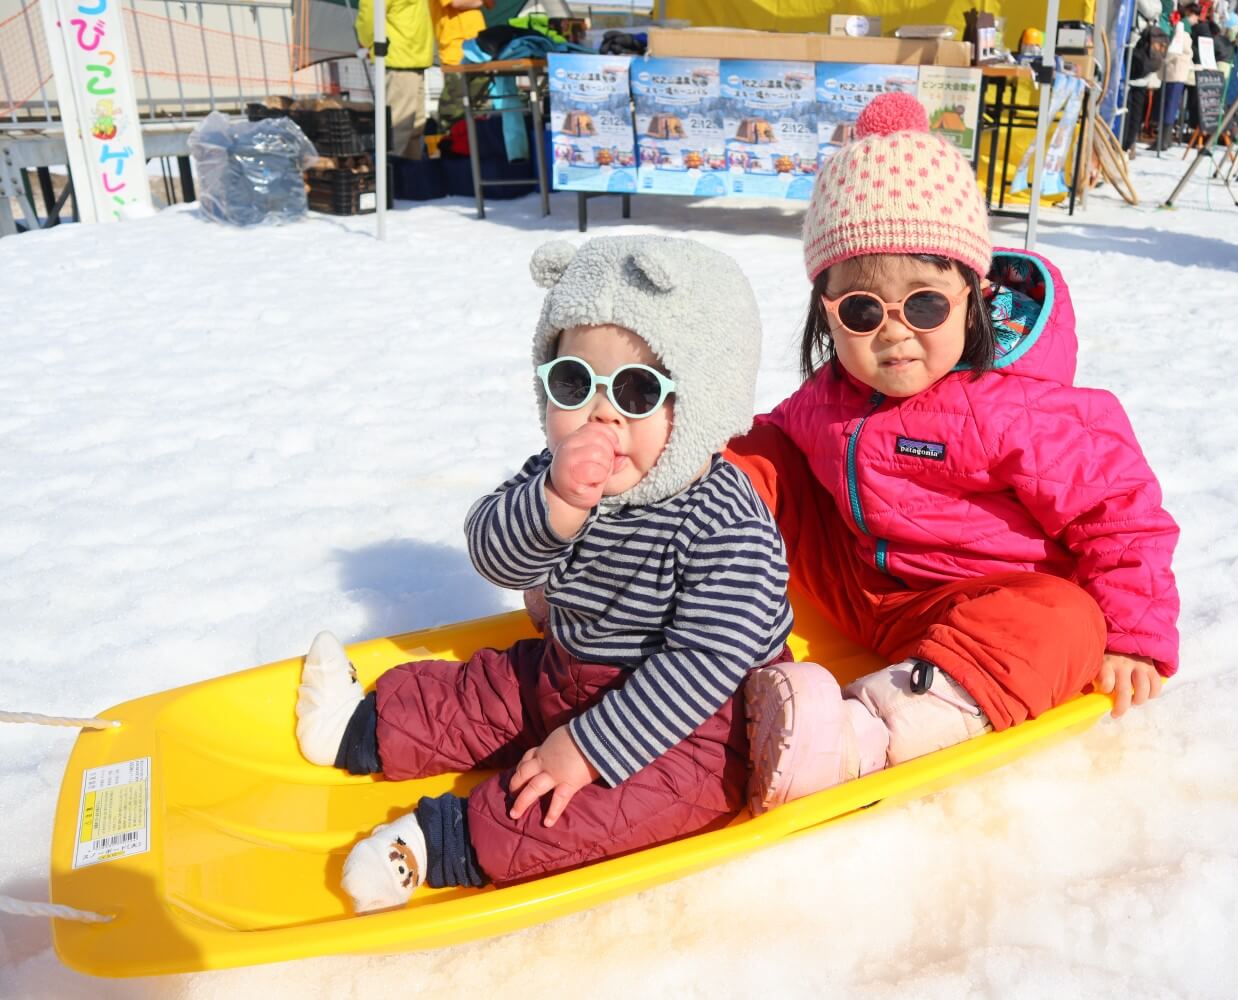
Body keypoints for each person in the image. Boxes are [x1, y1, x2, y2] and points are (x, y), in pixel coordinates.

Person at [294, 236, 795, 912]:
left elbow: (704, 662)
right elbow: (494, 554)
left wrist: (589, 748)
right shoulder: (560, 475)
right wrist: (554, 506)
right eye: (574, 383)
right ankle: (360, 726)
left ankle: (443, 845)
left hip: (699, 724)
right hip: (571, 673)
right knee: (488, 692)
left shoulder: (724, 520)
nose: (602, 414)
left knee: (602, 808)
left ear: (703, 397)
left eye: (638, 391)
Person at [723, 93, 1182, 813]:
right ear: (826, 312)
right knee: (754, 450)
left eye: (925, 305)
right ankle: (633, 550)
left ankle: (862, 733)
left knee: (1067, 620)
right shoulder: (830, 393)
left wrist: (1134, 636)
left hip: (981, 606)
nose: (894, 332)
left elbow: (1120, 515)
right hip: (859, 585)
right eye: (862, 310)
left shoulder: (1020, 406)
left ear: (972, 294)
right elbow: (770, 460)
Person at [355, 0, 434, 159]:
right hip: (400, 61)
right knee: (398, 130)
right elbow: (370, 13)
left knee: (413, 130)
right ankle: (390, 171)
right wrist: (368, 42)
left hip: (413, 60)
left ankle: (410, 171)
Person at [434, 0, 493, 132]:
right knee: (454, 111)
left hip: (480, 49)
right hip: (456, 51)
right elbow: (457, 3)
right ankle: (449, 141)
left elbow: (491, 4)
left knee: (480, 112)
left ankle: (474, 143)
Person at [1121, 0, 1166, 156]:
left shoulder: (1140, 6)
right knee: (1137, 108)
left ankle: (1124, 145)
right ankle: (1128, 145)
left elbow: (1145, 8)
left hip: (1133, 58)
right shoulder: (1157, 7)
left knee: (1128, 108)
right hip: (1146, 63)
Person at [1160, 5, 1201, 146]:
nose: (1196, 20)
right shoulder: (1184, 28)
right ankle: (1165, 140)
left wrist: (1164, 61)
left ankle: (1163, 141)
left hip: (1173, 69)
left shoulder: (1181, 26)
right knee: (1171, 106)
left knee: (1169, 105)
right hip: (1179, 70)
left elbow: (1174, 49)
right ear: (1189, 13)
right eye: (1195, 16)